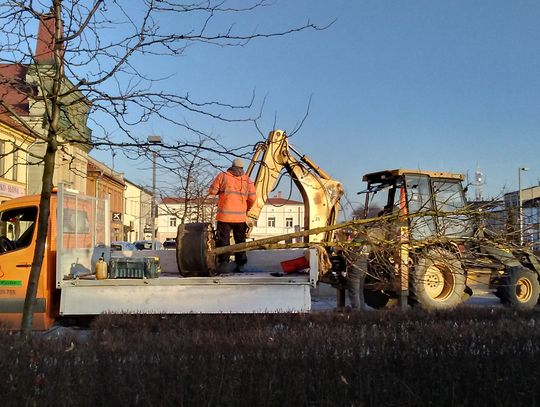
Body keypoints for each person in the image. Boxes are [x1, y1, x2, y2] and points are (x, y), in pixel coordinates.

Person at [209, 158, 256, 273]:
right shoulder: (248, 180)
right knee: (240, 240)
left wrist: (220, 190)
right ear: (242, 168)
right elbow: (253, 198)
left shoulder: (223, 176)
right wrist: (246, 208)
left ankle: (224, 264)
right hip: (240, 217)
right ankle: (240, 264)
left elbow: (212, 191)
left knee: (223, 240)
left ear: (232, 166)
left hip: (224, 216)